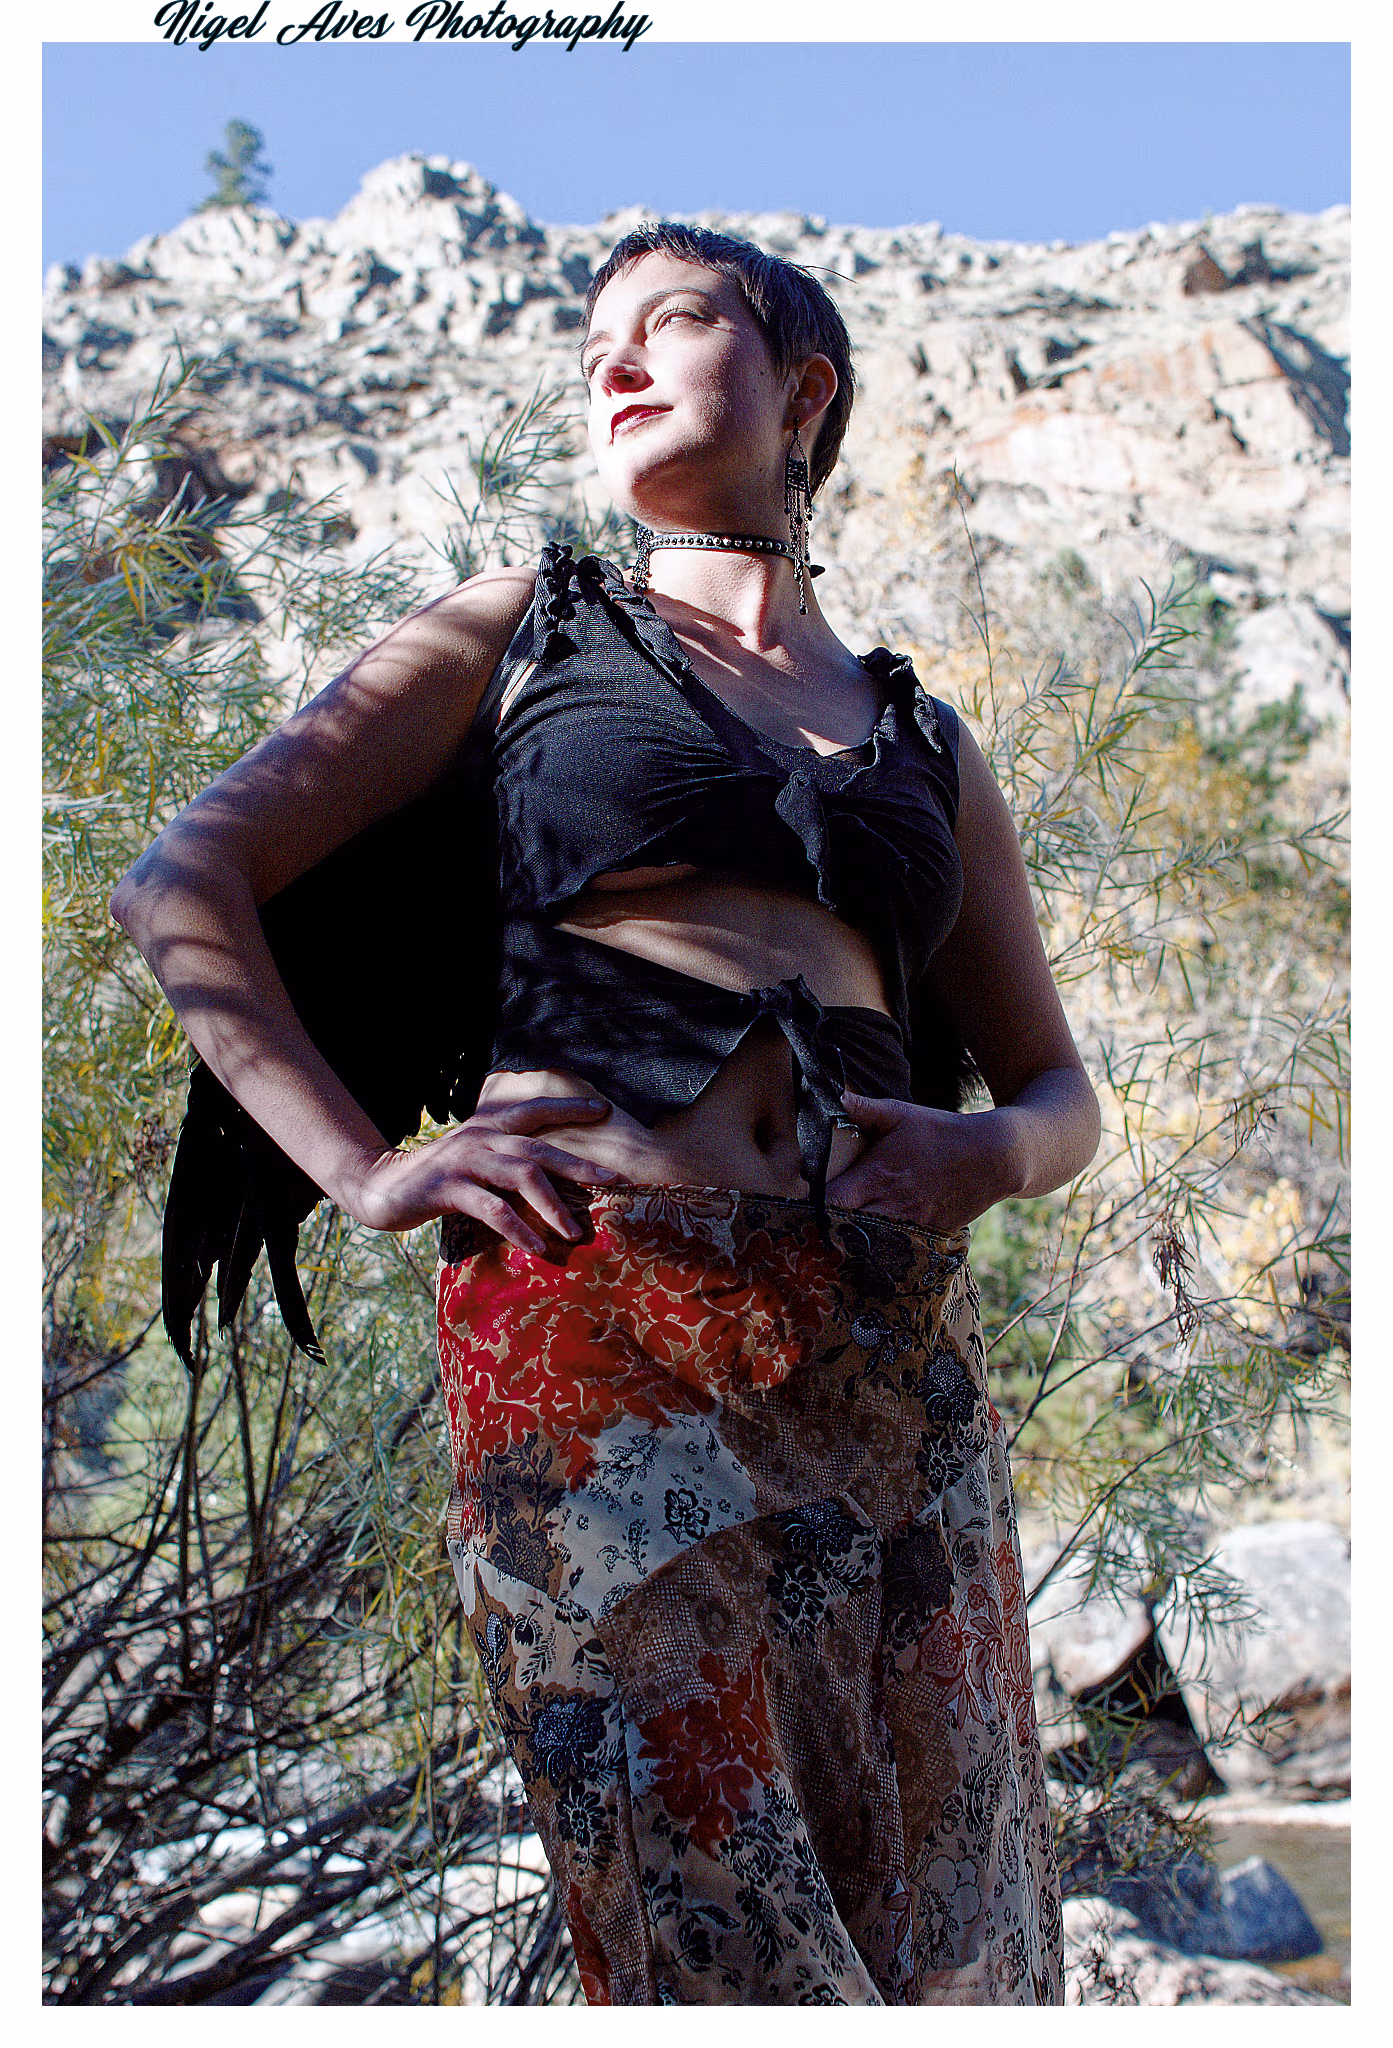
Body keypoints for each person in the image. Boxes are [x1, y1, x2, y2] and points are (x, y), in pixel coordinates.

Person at [111, 222, 1101, 2005]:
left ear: (805, 391)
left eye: (673, 322)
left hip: (888, 1350)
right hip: (594, 1316)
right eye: (594, 352)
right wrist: (366, 1167)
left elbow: (1060, 1090)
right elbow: (183, 880)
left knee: (953, 1917)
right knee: (702, 1911)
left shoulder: (927, 744)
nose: (616, 365)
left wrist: (994, 1153)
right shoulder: (525, 631)